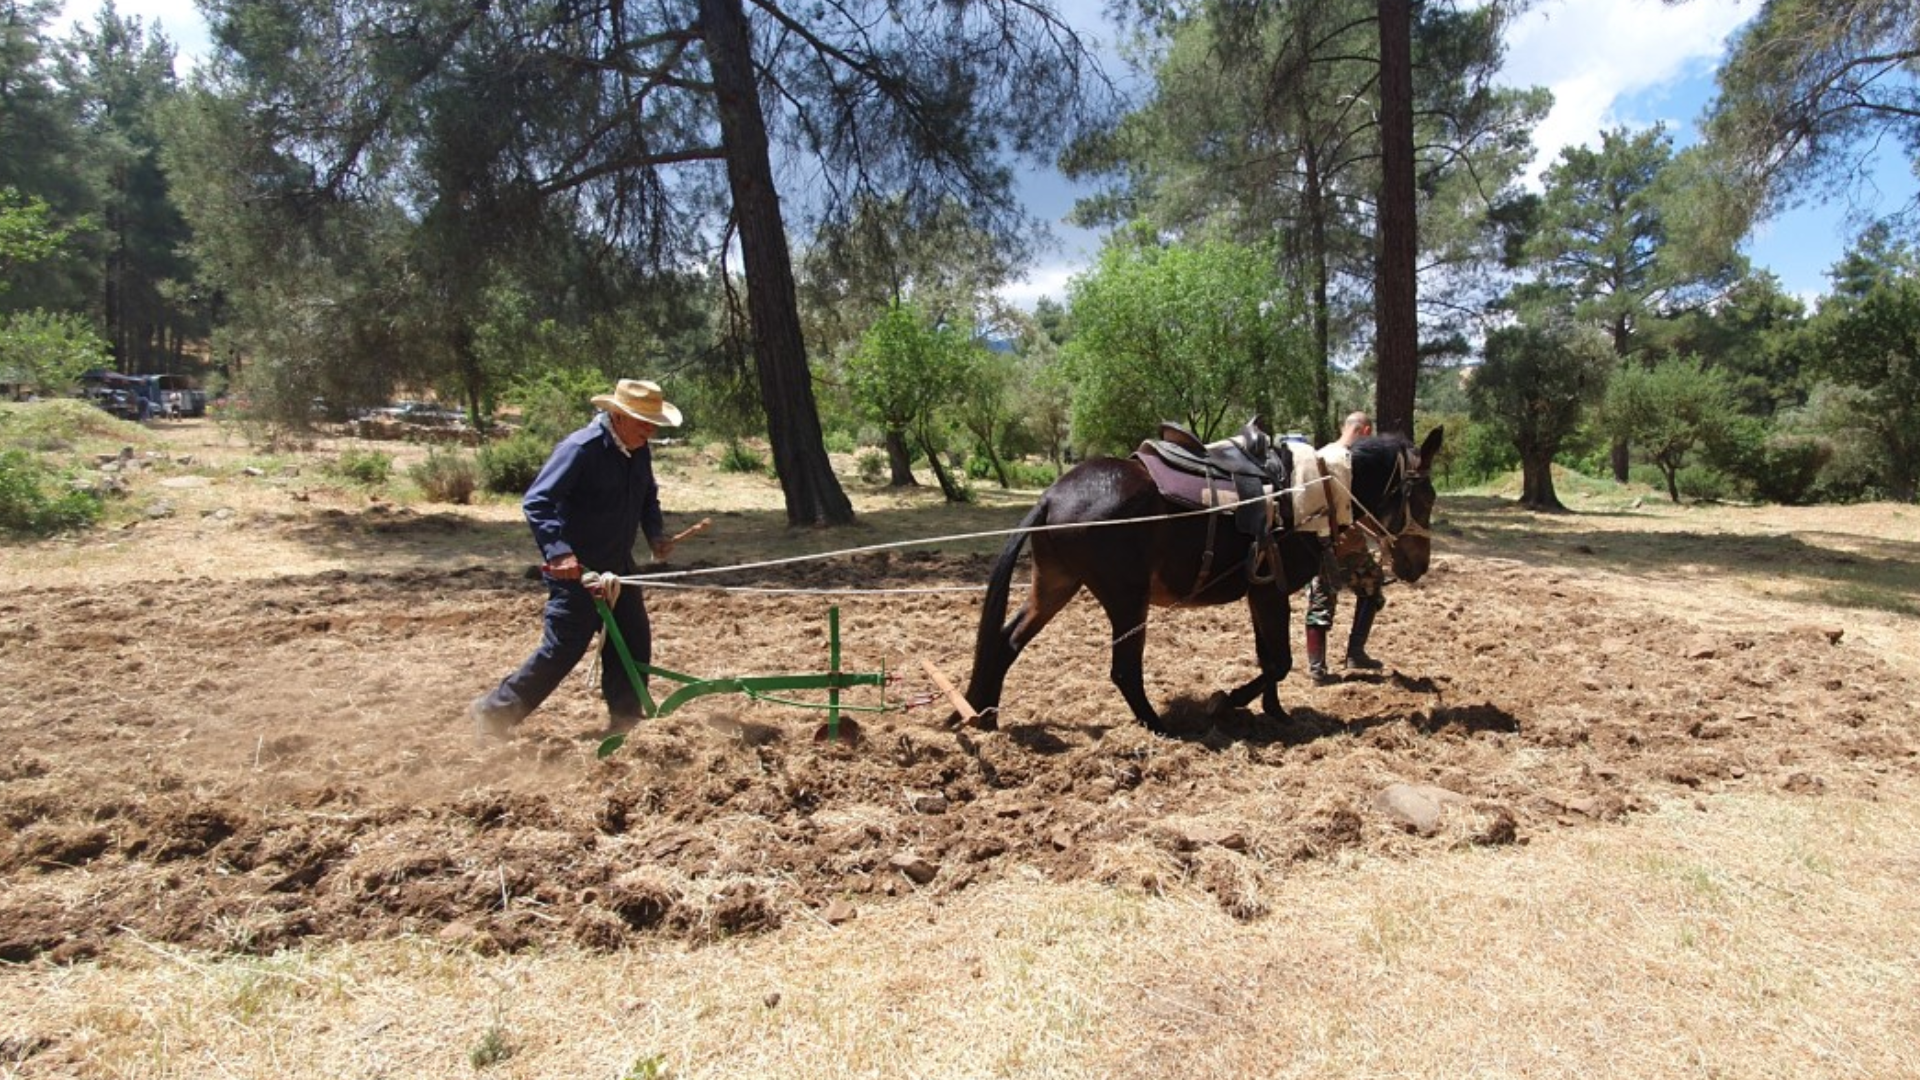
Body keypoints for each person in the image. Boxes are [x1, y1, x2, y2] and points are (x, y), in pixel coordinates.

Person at [470, 378, 684, 742]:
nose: (650, 431)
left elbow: (648, 496)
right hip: (577, 572)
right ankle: (493, 712)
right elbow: (537, 501)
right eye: (644, 422)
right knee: (563, 649)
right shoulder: (580, 449)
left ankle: (625, 722)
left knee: (632, 641)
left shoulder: (638, 449)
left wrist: (655, 534)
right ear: (619, 416)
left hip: (618, 568)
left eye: (654, 424)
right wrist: (559, 552)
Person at [1304, 410, 1387, 683]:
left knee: (1366, 582)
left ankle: (1331, 663)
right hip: (1342, 545)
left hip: (1320, 540)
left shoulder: (1319, 454)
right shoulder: (1353, 462)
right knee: (1331, 596)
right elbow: (1362, 510)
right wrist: (1382, 536)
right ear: (1365, 432)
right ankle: (1343, 658)